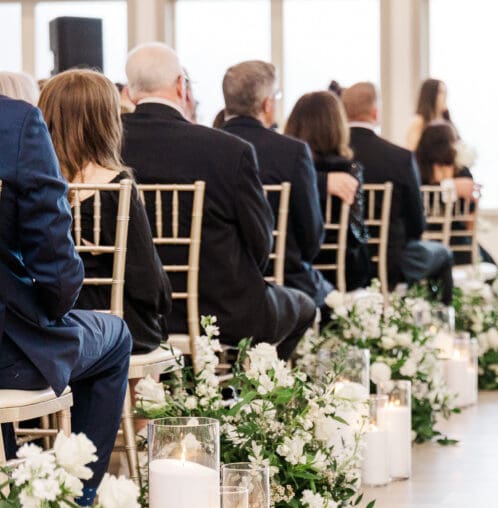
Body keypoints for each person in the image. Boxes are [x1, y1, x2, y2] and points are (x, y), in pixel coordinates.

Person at [121, 43, 316, 358]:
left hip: (138, 315)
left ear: (130, 92)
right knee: (305, 306)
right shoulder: (228, 150)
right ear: (181, 85)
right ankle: (253, 385)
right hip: (224, 311)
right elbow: (260, 243)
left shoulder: (108, 146)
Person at [0, 94, 131, 504]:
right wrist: (51, 307)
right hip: (7, 353)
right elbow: (57, 272)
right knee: (116, 336)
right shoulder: (15, 123)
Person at [38, 69, 173, 354]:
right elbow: (149, 286)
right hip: (109, 325)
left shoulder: (30, 184)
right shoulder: (115, 187)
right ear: (105, 123)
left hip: (42, 324)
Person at [220, 61, 335, 309]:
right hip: (285, 282)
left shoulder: (207, 148)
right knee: (335, 299)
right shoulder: (293, 152)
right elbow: (311, 238)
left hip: (221, 282)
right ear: (267, 104)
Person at [342, 82, 454, 303]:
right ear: (375, 113)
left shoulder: (329, 157)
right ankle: (435, 320)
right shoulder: (399, 158)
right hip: (392, 261)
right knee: (443, 254)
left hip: (343, 259)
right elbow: (417, 222)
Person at [284, 90, 370, 292]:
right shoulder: (348, 169)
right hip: (342, 268)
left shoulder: (287, 167)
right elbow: (356, 234)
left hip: (295, 262)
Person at [415, 122, 494, 265]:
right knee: (490, 266)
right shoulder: (462, 174)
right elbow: (470, 217)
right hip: (459, 245)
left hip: (423, 242)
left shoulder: (417, 172)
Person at [406, 78, 453, 150]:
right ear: (430, 95)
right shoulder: (419, 121)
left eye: (445, 92)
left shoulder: (446, 119)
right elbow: (412, 149)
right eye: (441, 92)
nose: (445, 96)